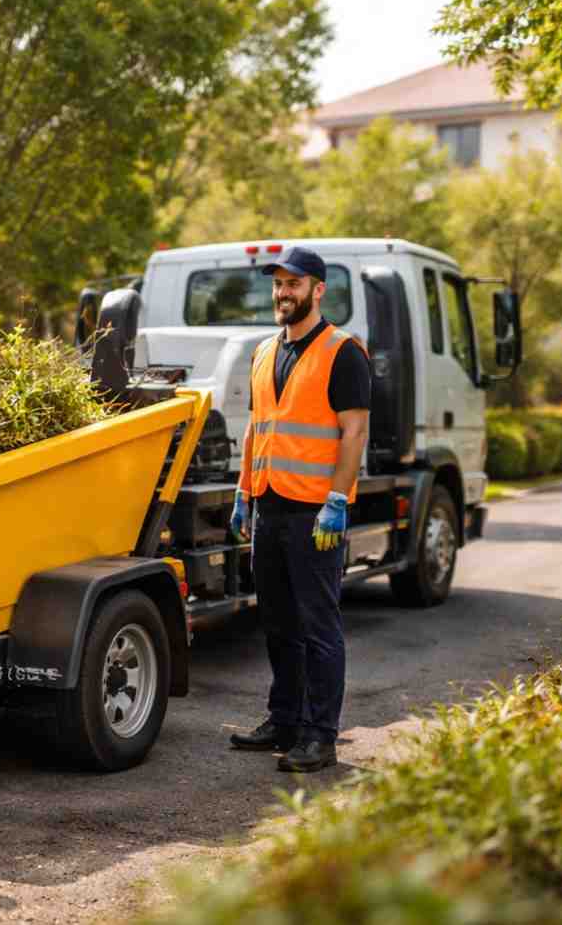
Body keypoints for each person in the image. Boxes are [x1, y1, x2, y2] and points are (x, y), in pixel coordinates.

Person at [228, 245, 370, 773]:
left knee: (318, 627)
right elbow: (255, 428)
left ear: (318, 290)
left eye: (295, 283)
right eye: (278, 284)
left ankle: (320, 735)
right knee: (278, 623)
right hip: (269, 506)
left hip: (316, 514)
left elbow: (353, 432)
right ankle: (284, 719)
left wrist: (337, 499)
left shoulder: (342, 351)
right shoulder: (265, 351)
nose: (284, 292)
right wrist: (244, 493)